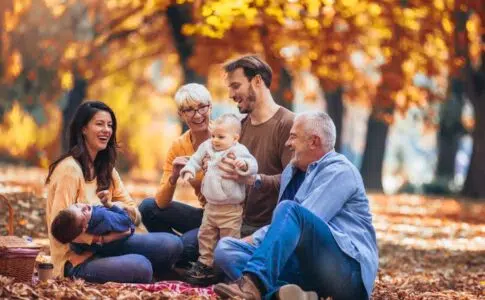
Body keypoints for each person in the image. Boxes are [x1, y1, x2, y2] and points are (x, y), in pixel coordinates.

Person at [213, 112, 379, 300]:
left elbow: (300, 221)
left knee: (289, 209)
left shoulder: (340, 171)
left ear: (314, 142)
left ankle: (253, 284)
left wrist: (252, 239)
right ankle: (288, 295)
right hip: (310, 270)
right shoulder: (291, 172)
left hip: (348, 272)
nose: (287, 143)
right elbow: (286, 232)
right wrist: (246, 242)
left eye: (293, 136)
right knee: (226, 249)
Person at [45, 100, 183, 283]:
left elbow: (136, 215)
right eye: (99, 124)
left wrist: (114, 206)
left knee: (172, 244)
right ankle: (103, 269)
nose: (106, 130)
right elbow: (60, 229)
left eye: (109, 125)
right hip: (76, 258)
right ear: (83, 129)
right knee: (142, 266)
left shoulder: (106, 169)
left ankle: (119, 265)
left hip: (112, 243)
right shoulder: (69, 170)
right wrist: (101, 239)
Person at [218, 55, 294, 238]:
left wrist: (255, 179)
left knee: (194, 247)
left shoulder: (287, 124)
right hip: (231, 218)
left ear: (257, 81)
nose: (230, 95)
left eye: (236, 86)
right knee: (151, 209)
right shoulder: (239, 127)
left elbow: (293, 180)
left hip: (263, 228)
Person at [138, 83, 212, 266]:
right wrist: (173, 178)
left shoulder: (225, 136)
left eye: (202, 107)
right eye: (189, 110)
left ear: (210, 106)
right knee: (147, 207)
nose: (197, 115)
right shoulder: (179, 146)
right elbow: (161, 203)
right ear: (181, 114)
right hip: (204, 215)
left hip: (226, 217)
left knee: (183, 246)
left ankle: (180, 257)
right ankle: (178, 256)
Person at [179, 113, 258, 284]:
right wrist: (188, 170)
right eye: (213, 135)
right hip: (211, 206)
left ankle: (229, 272)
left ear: (235, 138)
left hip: (231, 209)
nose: (215, 140)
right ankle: (205, 264)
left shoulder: (238, 151)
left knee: (229, 239)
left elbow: (252, 165)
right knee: (205, 236)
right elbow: (195, 160)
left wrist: (243, 165)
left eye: (221, 137)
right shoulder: (207, 147)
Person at [50, 202, 135, 255]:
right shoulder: (102, 216)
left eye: (76, 206)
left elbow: (77, 249)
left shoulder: (75, 233)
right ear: (84, 228)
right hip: (118, 244)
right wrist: (111, 205)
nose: (84, 207)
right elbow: (127, 222)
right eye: (83, 213)